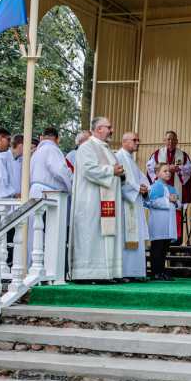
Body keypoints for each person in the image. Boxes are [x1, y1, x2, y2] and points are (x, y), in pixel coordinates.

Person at [70, 117, 127, 283]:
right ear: (99, 128)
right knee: (92, 235)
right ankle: (88, 273)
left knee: (106, 236)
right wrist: (111, 170)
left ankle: (106, 273)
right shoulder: (86, 147)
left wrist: (119, 173)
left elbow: (113, 171)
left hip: (106, 201)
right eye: (109, 127)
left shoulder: (107, 149)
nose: (112, 130)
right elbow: (88, 169)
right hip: (91, 202)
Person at [114, 131, 150, 281]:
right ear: (124, 141)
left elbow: (142, 179)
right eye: (134, 140)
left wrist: (145, 188)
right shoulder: (117, 157)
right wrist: (137, 188)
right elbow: (118, 182)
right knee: (124, 238)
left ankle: (134, 272)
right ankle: (124, 272)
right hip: (124, 206)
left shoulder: (131, 160)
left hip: (134, 203)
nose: (138, 143)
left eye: (138, 140)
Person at [146, 130, 191, 239]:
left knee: (176, 209)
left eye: (173, 139)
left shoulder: (183, 155)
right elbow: (149, 167)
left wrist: (179, 168)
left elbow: (190, 169)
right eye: (168, 139)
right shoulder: (157, 154)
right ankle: (161, 237)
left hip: (175, 187)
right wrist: (162, 171)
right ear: (164, 141)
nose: (171, 141)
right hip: (161, 188)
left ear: (177, 141)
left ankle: (176, 239)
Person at [147, 163, 178, 281]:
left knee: (164, 248)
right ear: (157, 173)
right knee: (157, 249)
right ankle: (155, 272)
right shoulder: (155, 186)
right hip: (158, 222)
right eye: (165, 171)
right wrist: (168, 200)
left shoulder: (171, 188)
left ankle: (162, 271)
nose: (168, 173)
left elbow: (178, 204)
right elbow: (151, 202)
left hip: (168, 222)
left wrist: (175, 202)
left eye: (169, 171)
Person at [29, 127, 73, 199]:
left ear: (41, 138)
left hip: (34, 192)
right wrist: (72, 182)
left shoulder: (36, 152)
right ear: (58, 139)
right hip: (47, 193)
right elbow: (60, 170)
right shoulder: (52, 148)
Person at [0, 133, 23, 202]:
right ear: (20, 146)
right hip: (3, 202)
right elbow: (0, 178)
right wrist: (13, 193)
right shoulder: (3, 157)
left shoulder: (21, 161)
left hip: (16, 201)